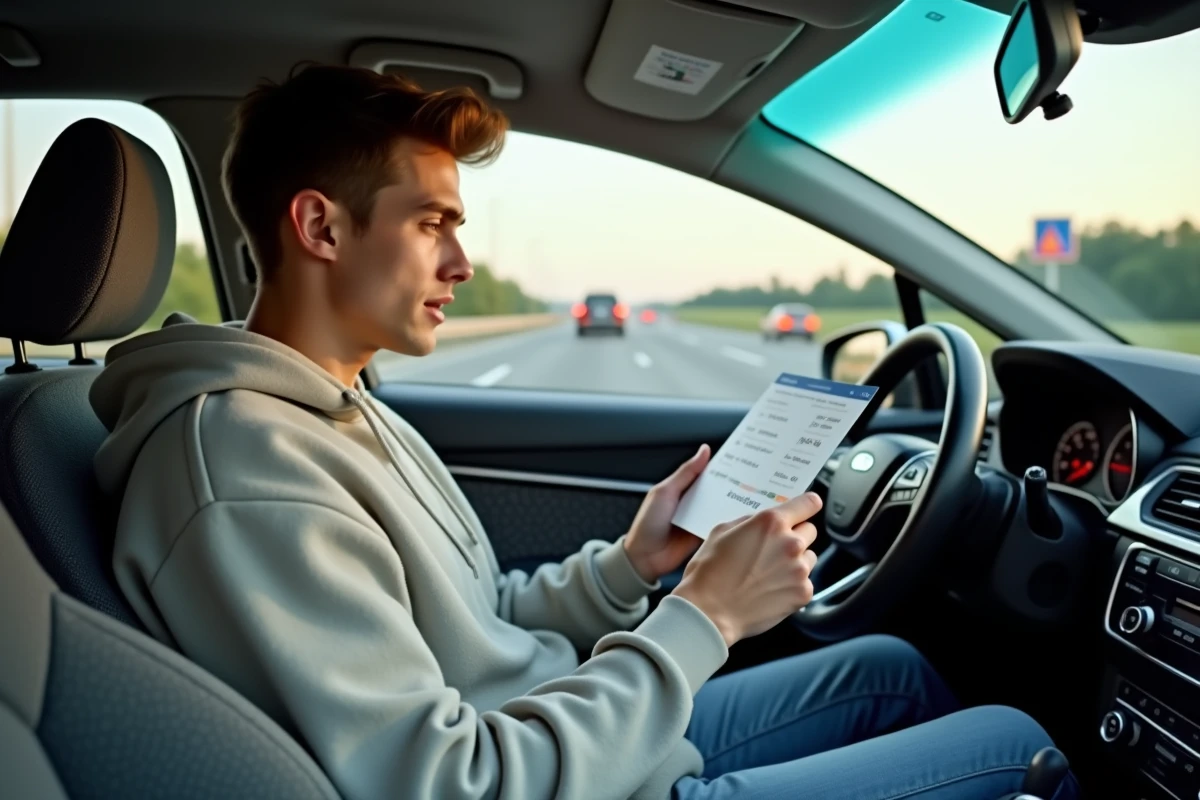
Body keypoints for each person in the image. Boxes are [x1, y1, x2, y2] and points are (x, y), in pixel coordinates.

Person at [90, 64, 1079, 800]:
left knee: (888, 669)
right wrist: (706, 616)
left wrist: (632, 563)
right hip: (558, 775)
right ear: (322, 228)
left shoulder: (338, 406)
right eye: (432, 223)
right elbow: (448, 782)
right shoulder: (244, 469)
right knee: (1013, 746)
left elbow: (475, 623)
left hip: (573, 740)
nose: (461, 261)